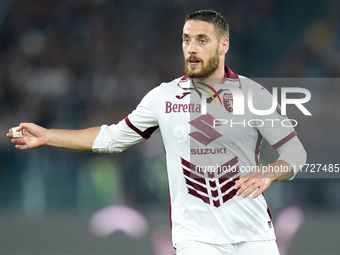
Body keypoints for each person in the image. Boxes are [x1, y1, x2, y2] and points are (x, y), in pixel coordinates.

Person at [7, 10, 306, 255]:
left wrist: (270, 173)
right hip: (196, 240)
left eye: (202, 40)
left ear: (223, 45)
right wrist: (49, 136)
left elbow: (295, 153)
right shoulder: (162, 98)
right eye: (186, 40)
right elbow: (112, 139)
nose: (191, 48)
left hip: (255, 235)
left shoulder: (253, 94)